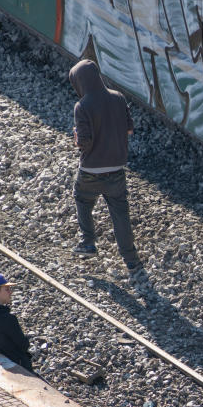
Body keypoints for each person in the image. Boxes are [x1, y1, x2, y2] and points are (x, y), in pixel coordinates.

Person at [68, 59, 147, 285]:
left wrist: (76, 136)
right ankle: (132, 262)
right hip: (116, 169)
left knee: (82, 199)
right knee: (120, 214)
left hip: (91, 170)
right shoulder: (118, 97)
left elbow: (83, 142)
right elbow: (130, 129)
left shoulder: (82, 106)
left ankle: (88, 242)